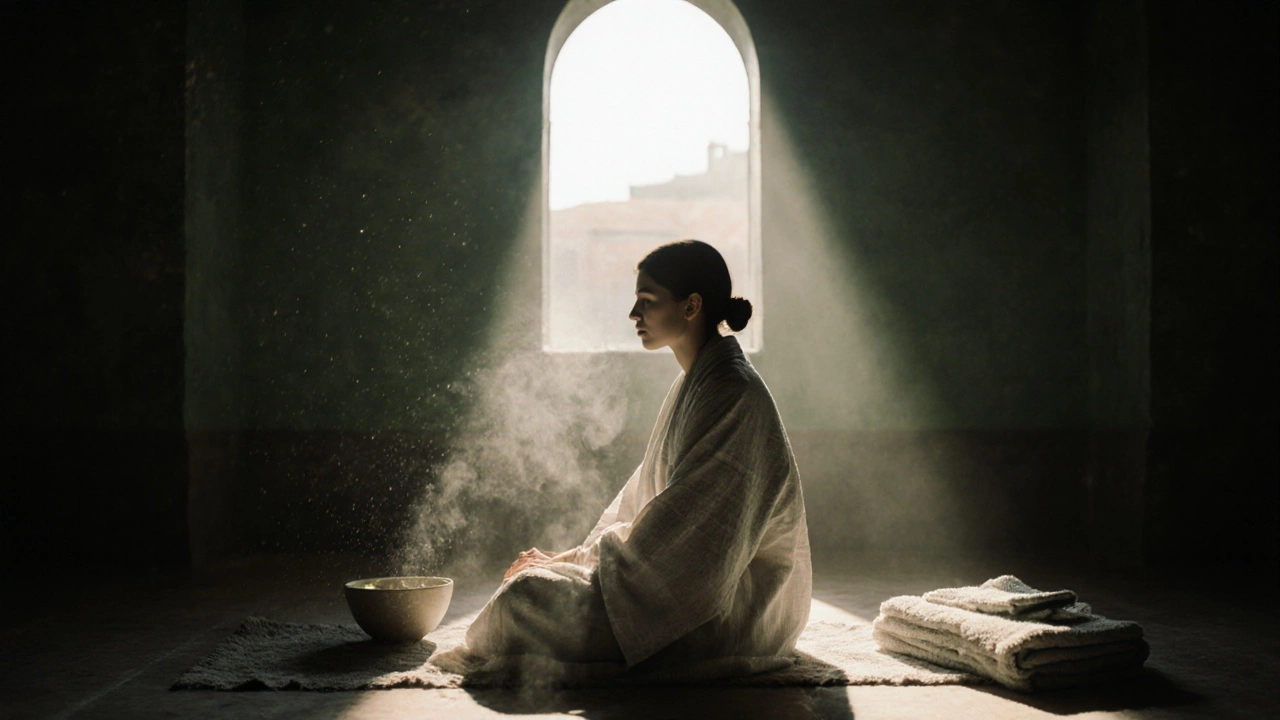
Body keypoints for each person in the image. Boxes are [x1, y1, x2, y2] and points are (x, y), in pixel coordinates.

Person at [455, 239, 812, 671]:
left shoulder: (731, 392)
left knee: (524, 599)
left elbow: (687, 547)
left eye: (646, 300)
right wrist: (574, 557)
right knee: (535, 585)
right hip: (684, 586)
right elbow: (647, 504)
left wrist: (573, 561)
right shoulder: (699, 382)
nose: (633, 314)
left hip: (732, 612)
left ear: (691, 306)